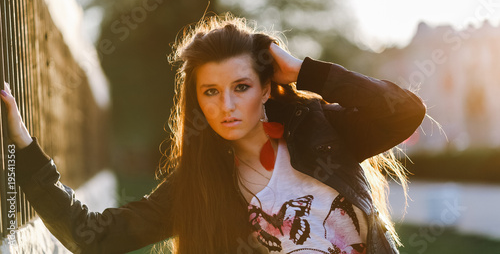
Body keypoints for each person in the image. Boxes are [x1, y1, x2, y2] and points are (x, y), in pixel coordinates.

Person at [1, 13, 426, 254]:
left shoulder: (321, 131)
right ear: (198, 101)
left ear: (264, 88)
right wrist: (24, 147)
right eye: (211, 91)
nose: (226, 105)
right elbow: (93, 236)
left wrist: (303, 71)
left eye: (241, 87)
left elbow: (404, 112)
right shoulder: (199, 184)